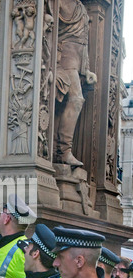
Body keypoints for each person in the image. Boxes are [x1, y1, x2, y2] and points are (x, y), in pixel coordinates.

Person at [54, 0, 97, 166]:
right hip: (64, 59)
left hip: (77, 62)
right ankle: (63, 151)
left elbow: (82, 42)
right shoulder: (60, 3)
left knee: (67, 102)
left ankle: (60, 150)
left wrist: (86, 70)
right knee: (76, 100)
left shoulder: (80, 6)